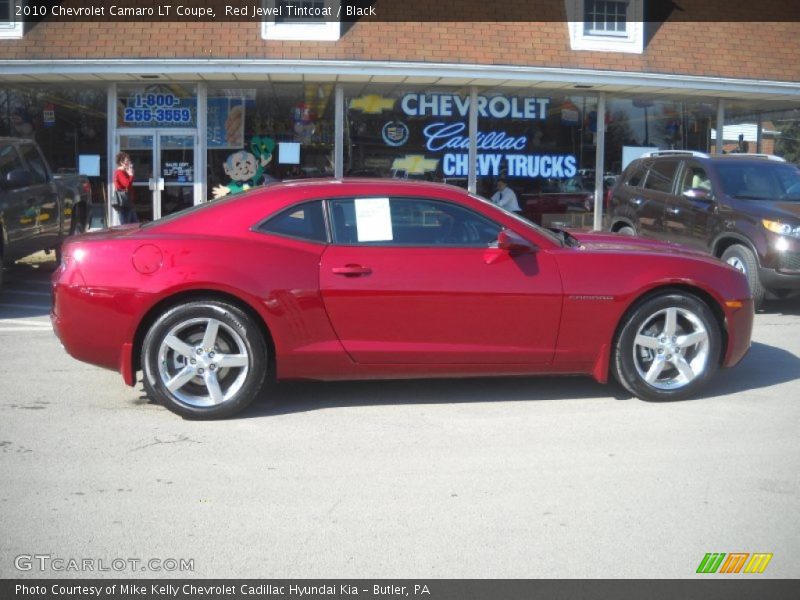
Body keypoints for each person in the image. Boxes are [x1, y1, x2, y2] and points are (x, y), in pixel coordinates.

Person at [113, 152, 138, 224]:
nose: (129, 162)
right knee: (127, 226)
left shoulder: (124, 172)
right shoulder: (119, 173)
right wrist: (131, 175)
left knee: (135, 224)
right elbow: (126, 184)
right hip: (124, 203)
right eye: (127, 161)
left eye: (129, 160)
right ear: (121, 162)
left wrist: (130, 174)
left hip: (128, 201)